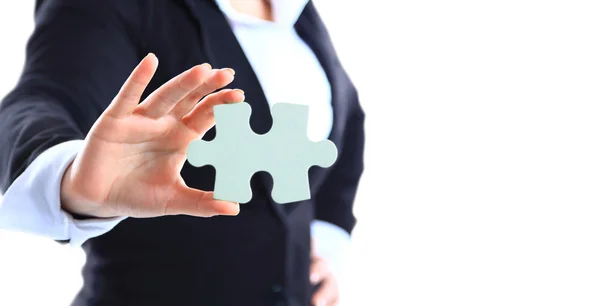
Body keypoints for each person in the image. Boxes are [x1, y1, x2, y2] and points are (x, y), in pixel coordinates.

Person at [0, 0, 365, 305]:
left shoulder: (298, 12)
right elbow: (42, 98)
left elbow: (344, 127)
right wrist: (67, 174)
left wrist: (328, 243)